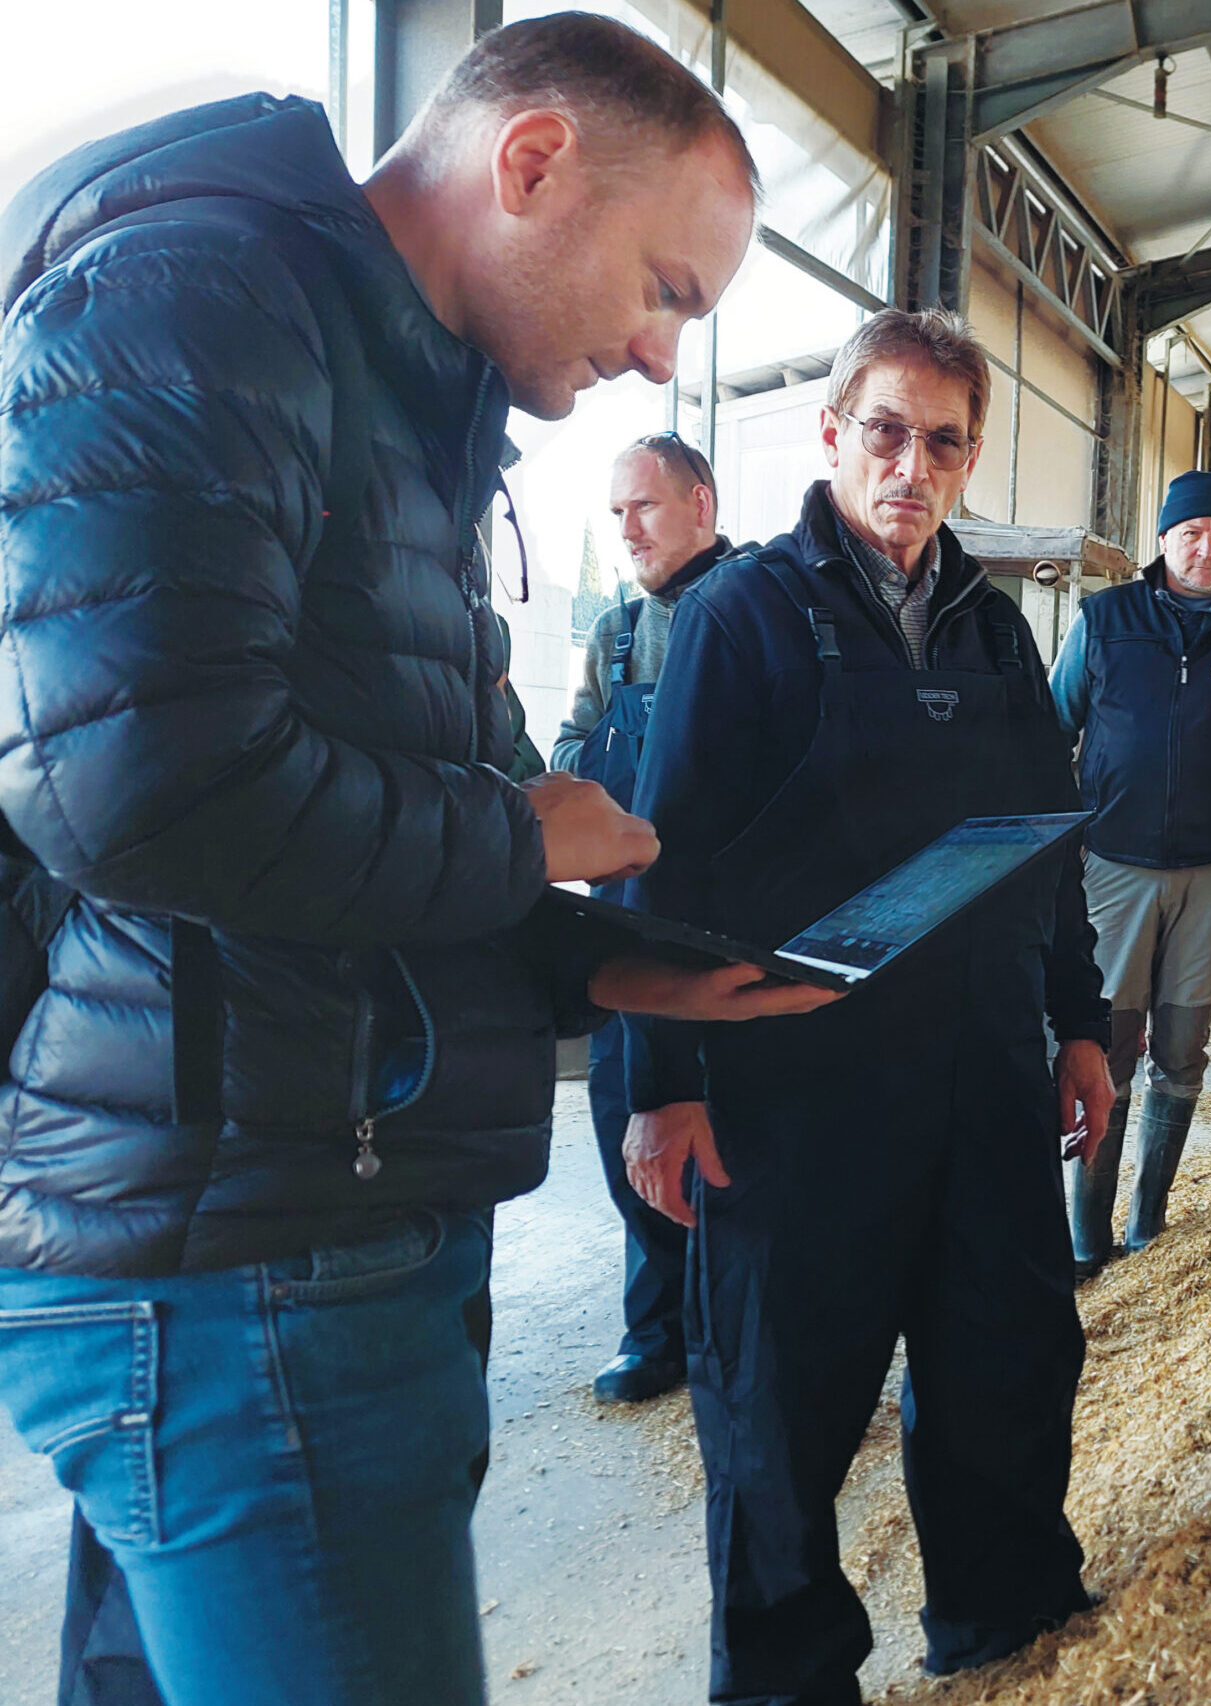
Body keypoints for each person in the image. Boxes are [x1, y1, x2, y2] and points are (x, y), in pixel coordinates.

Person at [0, 18, 837, 1706]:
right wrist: (519, 835)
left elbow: (368, 831)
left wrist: (603, 960)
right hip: (252, 1250)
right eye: (666, 287)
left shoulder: (402, 394)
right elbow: (130, 783)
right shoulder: (204, 302)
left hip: (313, 1212)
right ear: (532, 163)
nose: (662, 355)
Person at [620, 309, 1116, 1700]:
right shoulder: (746, 617)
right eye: (887, 431)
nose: (913, 466)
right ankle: (786, 1676)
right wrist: (660, 1084)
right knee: (779, 1410)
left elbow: (1045, 841)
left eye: (945, 443)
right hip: (799, 1091)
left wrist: (1077, 1021)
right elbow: (671, 860)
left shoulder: (999, 636)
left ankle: (1006, 1627)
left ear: (969, 460)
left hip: (978, 1077)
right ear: (834, 430)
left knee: (1006, 1364)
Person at [1051, 470, 1211, 1279]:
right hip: (1113, 873)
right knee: (1106, 1044)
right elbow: (1052, 730)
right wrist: (1065, 850)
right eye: (1192, 532)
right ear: (1162, 539)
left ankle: (1147, 1224)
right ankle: (1087, 1237)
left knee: (1184, 1046)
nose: (1207, 548)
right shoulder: (1105, 621)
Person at [553, 432, 730, 1403]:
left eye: (645, 508)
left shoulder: (761, 608)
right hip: (625, 932)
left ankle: (723, 1332)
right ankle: (654, 1330)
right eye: (616, 512)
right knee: (629, 1131)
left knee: (725, 1142)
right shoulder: (614, 634)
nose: (626, 530)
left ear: (701, 503)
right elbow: (572, 750)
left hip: (720, 934)